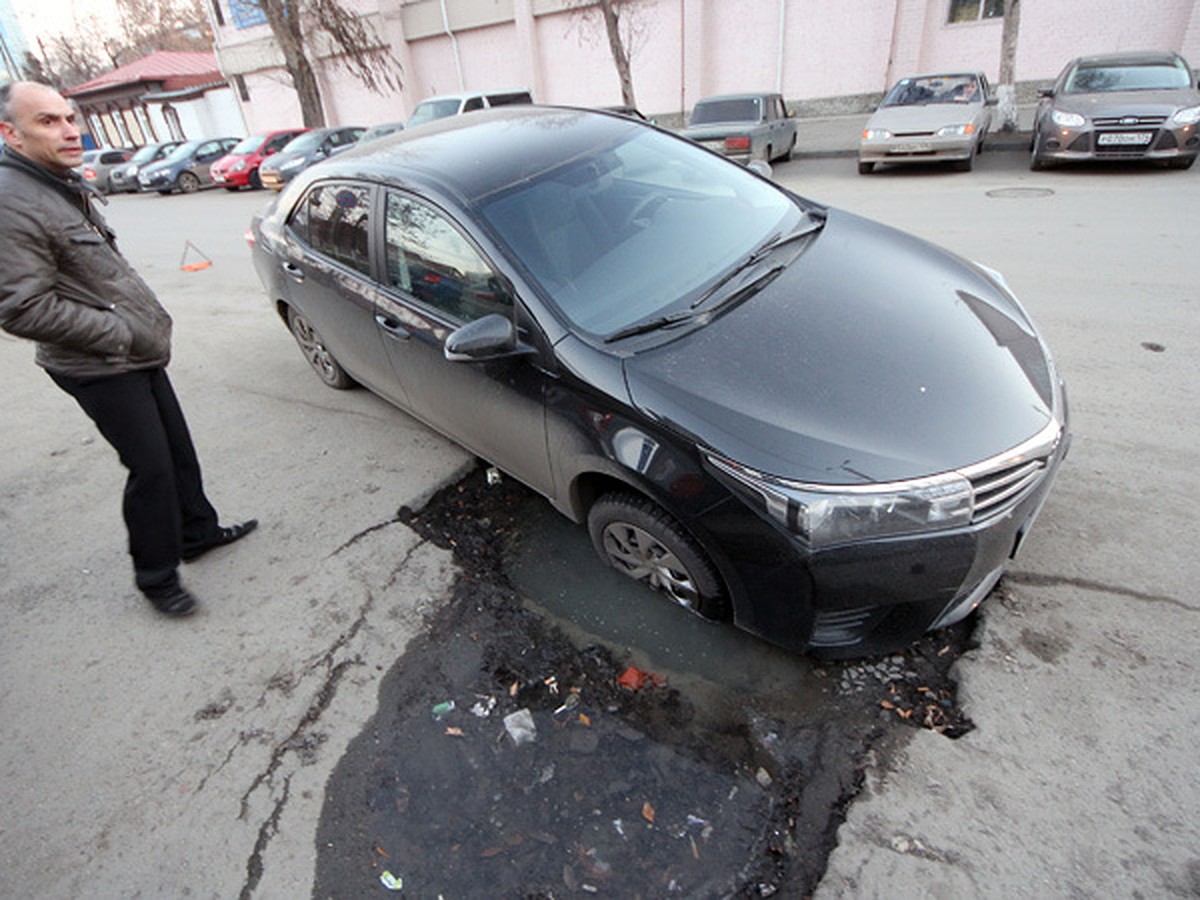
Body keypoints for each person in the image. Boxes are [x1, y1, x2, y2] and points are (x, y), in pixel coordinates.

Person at [0, 81, 256, 617]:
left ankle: (198, 533)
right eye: (48, 121)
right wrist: (120, 333)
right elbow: (20, 308)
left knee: (177, 450)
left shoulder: (54, 182)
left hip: (131, 351)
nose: (70, 130)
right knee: (152, 469)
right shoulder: (10, 200)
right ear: (11, 134)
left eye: (69, 117)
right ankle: (156, 576)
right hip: (97, 363)